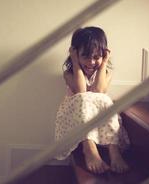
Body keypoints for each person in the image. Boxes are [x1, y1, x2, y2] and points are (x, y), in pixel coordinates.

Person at [55, 26, 130, 174]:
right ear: (76, 55)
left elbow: (99, 90)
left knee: (106, 101)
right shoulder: (69, 74)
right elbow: (81, 90)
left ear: (103, 55)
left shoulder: (106, 73)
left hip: (100, 123)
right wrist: (75, 63)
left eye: (96, 57)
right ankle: (89, 147)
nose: (91, 62)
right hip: (73, 121)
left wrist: (104, 64)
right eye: (85, 56)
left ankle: (114, 150)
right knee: (83, 98)